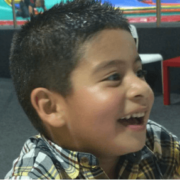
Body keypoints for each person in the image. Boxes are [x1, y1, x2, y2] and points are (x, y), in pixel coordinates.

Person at [5, 0, 180, 179]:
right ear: (52, 107)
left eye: (139, 72)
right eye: (113, 77)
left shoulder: (155, 140)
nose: (143, 88)